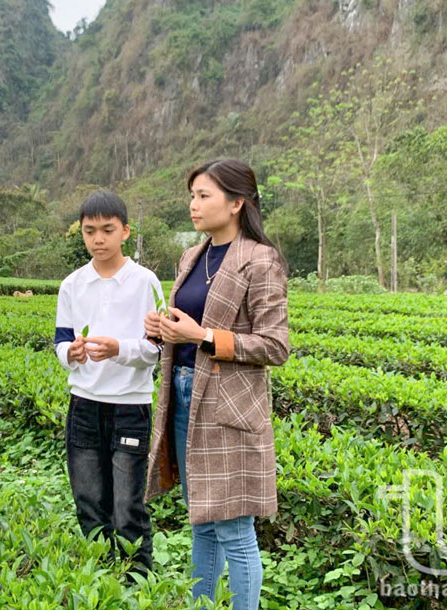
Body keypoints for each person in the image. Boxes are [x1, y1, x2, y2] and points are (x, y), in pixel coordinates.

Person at [143, 159, 289, 609]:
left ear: (236, 203)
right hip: (184, 395)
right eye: (192, 196)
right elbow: (186, 328)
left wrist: (202, 336)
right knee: (202, 522)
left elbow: (275, 346)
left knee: (234, 530)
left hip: (229, 408)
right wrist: (162, 330)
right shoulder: (193, 256)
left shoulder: (260, 260)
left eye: (204, 196)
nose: (194, 204)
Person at [54, 190, 164, 574]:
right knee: (88, 496)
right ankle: (101, 575)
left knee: (127, 502)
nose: (98, 239)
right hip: (84, 402)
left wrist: (119, 349)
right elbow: (60, 340)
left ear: (125, 232)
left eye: (107, 230)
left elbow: (157, 348)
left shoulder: (145, 282)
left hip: (130, 405)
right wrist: (71, 352)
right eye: (89, 231)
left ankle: (137, 578)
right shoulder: (72, 285)